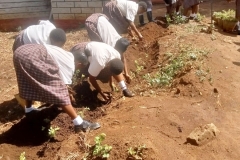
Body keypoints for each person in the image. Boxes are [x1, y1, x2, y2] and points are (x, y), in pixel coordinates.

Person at [13, 28, 100, 133]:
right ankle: (79, 123)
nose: (78, 70)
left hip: (21, 51)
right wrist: (68, 98)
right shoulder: (69, 64)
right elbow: (62, 88)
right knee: (59, 90)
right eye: (80, 68)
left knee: (28, 81)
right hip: (33, 55)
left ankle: (29, 109)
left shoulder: (66, 54)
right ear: (80, 64)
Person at [85, 13, 131, 84]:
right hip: (92, 22)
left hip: (101, 16)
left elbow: (123, 57)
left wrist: (126, 73)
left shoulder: (120, 41)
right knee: (96, 46)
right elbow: (110, 64)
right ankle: (91, 62)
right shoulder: (108, 46)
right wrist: (111, 82)